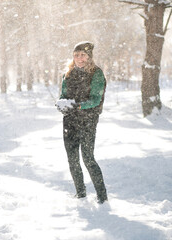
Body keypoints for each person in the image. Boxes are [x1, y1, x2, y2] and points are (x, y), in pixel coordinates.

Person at [57, 41, 108, 204]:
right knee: (72, 159)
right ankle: (80, 193)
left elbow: (95, 99)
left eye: (83, 55)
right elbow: (63, 94)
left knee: (88, 158)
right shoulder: (68, 74)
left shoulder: (96, 74)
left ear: (89, 57)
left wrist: (78, 105)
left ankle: (102, 196)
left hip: (88, 120)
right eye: (76, 55)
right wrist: (62, 104)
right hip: (70, 121)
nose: (79, 58)